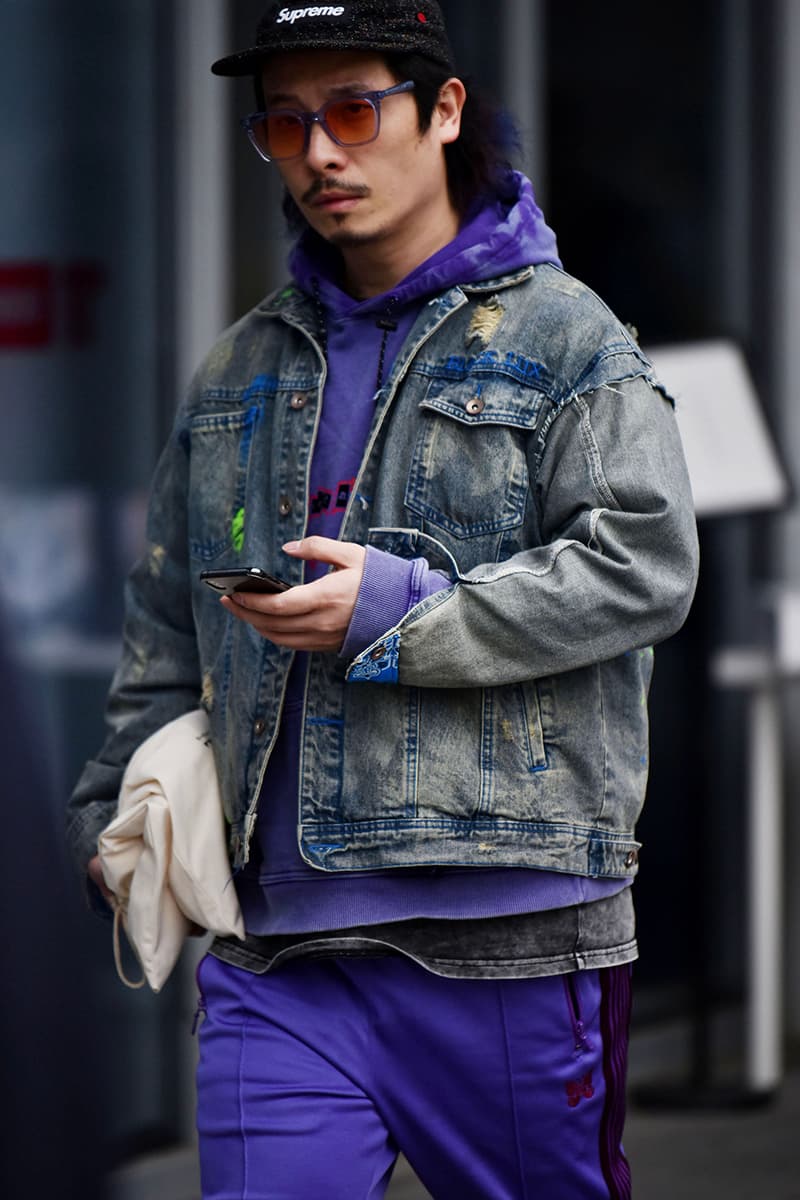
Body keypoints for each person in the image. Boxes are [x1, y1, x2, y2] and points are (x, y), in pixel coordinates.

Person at [69, 3, 699, 1196]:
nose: (318, 153)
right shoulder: (239, 366)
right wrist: (110, 813)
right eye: (284, 125)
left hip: (512, 935)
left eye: (353, 110)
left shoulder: (568, 338)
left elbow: (644, 565)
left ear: (443, 110)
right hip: (279, 955)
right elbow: (166, 627)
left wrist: (406, 612)